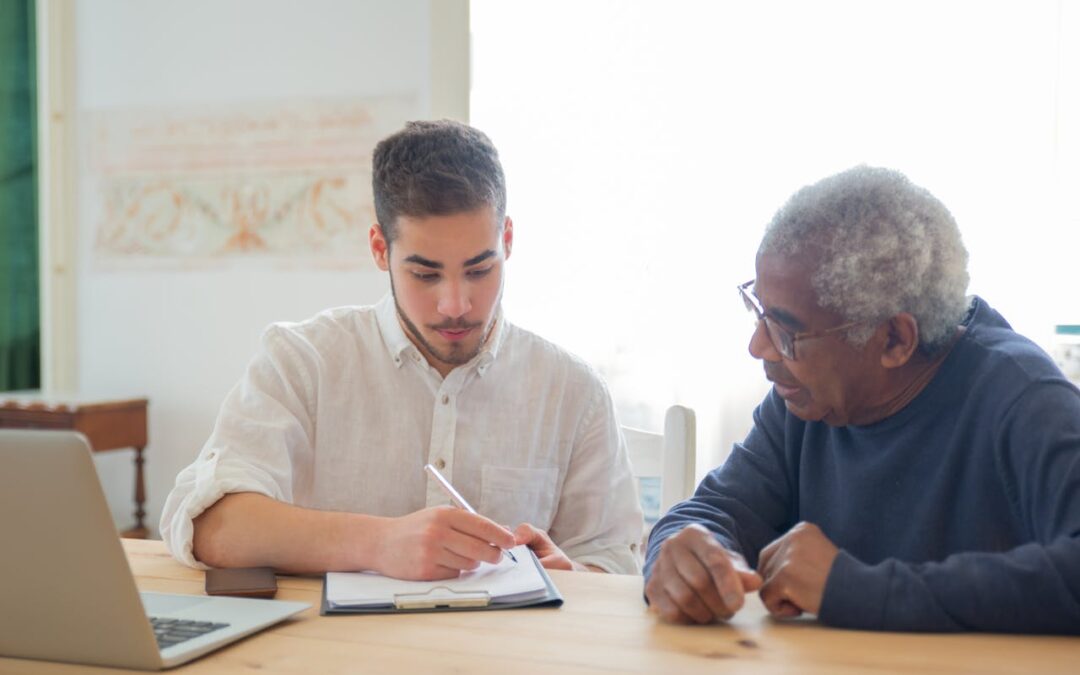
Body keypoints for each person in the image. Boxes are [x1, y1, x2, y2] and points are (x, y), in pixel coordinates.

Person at [161, 120, 643, 579]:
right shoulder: (302, 361)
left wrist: (572, 574)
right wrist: (379, 543)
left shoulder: (573, 391)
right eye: (425, 274)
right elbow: (206, 523)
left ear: (508, 240)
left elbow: (617, 562)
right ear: (379, 249)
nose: (456, 304)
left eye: (479, 269)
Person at [644, 166, 1080, 633]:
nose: (759, 348)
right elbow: (715, 510)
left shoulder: (1024, 400)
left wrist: (853, 588)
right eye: (759, 312)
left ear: (894, 339)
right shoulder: (805, 400)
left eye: (786, 331)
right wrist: (683, 551)